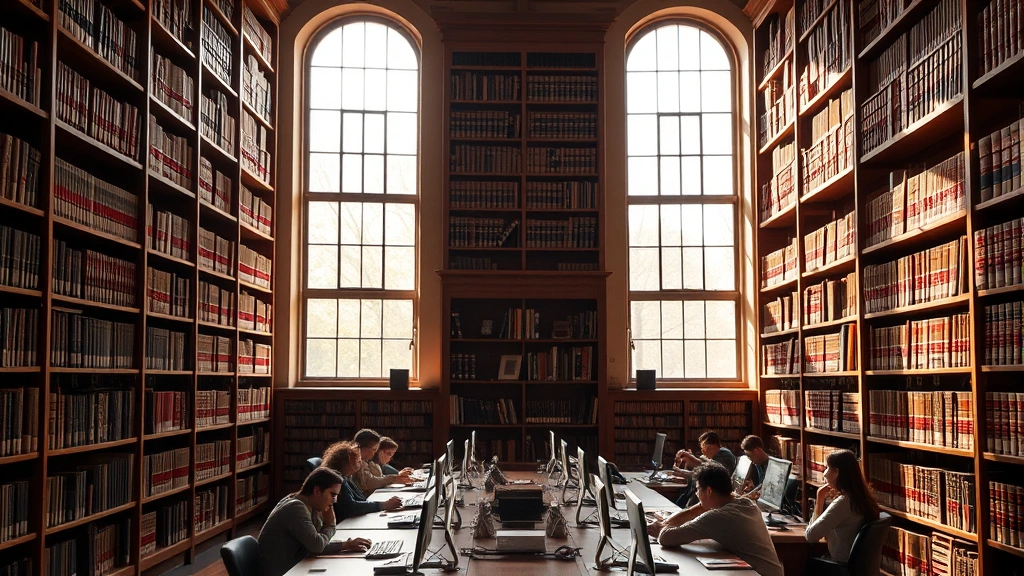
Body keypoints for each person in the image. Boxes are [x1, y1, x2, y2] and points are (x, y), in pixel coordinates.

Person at [648, 463, 784, 576]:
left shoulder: (719, 517)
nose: (696, 494)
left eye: (698, 489)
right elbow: (695, 513)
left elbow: (667, 538)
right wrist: (699, 507)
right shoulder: (744, 503)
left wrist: (660, 527)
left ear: (708, 491)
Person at [257, 467, 371, 576]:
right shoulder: (296, 508)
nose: (335, 501)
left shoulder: (303, 503)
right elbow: (317, 545)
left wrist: (346, 545)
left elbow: (315, 543)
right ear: (317, 490)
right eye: (332, 495)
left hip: (294, 566)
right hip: (284, 572)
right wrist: (330, 525)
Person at [805, 449, 880, 563]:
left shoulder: (844, 502)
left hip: (838, 565)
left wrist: (819, 500)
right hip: (854, 566)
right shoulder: (861, 497)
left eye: (827, 468)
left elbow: (811, 536)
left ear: (836, 472)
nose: (824, 473)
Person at [321, 440, 403, 520]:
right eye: (357, 461)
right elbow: (351, 507)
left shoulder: (348, 477)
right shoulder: (338, 480)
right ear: (345, 463)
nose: (360, 463)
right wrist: (383, 505)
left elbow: (361, 499)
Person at [671, 431, 737, 506]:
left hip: (717, 492)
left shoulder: (724, 454)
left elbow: (712, 474)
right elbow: (704, 468)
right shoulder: (715, 456)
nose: (702, 450)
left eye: (703, 446)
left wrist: (687, 468)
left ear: (712, 445)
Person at [352, 429, 415, 494]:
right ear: (363, 447)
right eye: (373, 449)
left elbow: (379, 478)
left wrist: (396, 477)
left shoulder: (364, 461)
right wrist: (394, 478)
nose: (375, 452)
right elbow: (371, 482)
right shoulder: (355, 463)